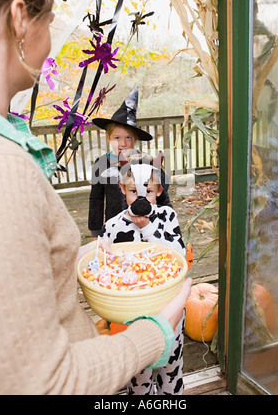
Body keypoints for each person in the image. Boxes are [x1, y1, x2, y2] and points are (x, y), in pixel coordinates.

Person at [0, 0, 193, 395]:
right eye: (51, 24)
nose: (53, 41)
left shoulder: (150, 169)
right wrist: (157, 331)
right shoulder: (3, 169)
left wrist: (73, 258)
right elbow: (42, 380)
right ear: (21, 17)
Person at [99, 153, 186, 395]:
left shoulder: (167, 217)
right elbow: (105, 266)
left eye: (147, 191)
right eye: (133, 192)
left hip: (168, 306)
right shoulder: (113, 225)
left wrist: (148, 228)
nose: (141, 198)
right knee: (139, 371)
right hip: (132, 311)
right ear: (122, 190)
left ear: (158, 191)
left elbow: (177, 256)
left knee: (171, 365)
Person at [88, 87, 172, 238]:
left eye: (128, 137)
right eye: (117, 138)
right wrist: (96, 232)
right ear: (108, 138)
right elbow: (96, 199)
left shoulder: (145, 161)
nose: (123, 143)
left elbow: (161, 190)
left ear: (135, 139)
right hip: (114, 226)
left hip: (143, 224)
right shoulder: (101, 164)